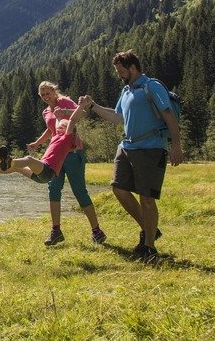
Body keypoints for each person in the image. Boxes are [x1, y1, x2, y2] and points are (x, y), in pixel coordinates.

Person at [79, 50, 182, 262]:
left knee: (146, 197)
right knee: (119, 189)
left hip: (151, 147)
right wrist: (93, 106)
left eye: (121, 70)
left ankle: (149, 247)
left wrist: (176, 145)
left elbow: (169, 115)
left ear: (133, 67)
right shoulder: (126, 91)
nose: (119, 74)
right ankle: (149, 229)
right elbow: (117, 117)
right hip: (127, 146)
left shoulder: (151, 86)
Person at [29, 81, 106, 246]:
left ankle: (97, 231)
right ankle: (56, 231)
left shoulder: (64, 101)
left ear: (54, 90)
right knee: (53, 190)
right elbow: (51, 130)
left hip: (72, 153)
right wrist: (37, 143)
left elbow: (83, 113)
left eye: (48, 92)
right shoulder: (45, 111)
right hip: (56, 155)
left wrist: (64, 111)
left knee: (79, 191)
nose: (45, 96)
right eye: (42, 94)